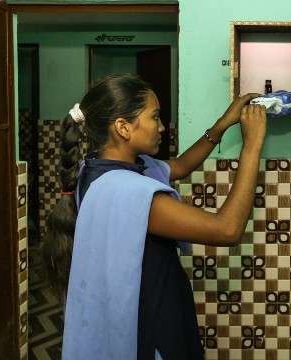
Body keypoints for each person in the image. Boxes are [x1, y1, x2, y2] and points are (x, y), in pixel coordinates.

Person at [41, 74, 267, 360]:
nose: (162, 126)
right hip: (152, 322)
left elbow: (181, 166)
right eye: (155, 117)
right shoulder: (129, 191)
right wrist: (252, 146)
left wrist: (222, 124)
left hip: (151, 302)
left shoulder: (97, 168)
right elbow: (227, 230)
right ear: (123, 127)